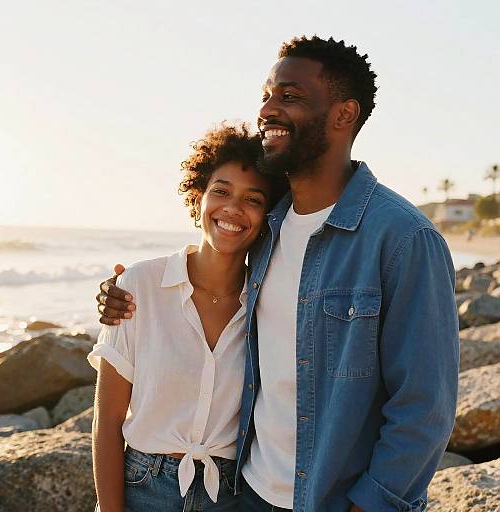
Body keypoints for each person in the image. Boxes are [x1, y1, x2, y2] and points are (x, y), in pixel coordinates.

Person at [97, 36, 459, 512]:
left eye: (289, 97)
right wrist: (120, 292)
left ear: (344, 115)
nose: (267, 109)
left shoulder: (403, 239)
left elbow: (424, 408)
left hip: (332, 500)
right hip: (246, 494)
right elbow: (205, 275)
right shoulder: (268, 228)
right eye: (266, 95)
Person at [89, 124, 287, 512]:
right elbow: (107, 421)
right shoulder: (139, 286)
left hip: (231, 495)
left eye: (253, 199)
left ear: (266, 217)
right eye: (222, 191)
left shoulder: (269, 303)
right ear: (198, 197)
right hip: (143, 486)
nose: (232, 208)